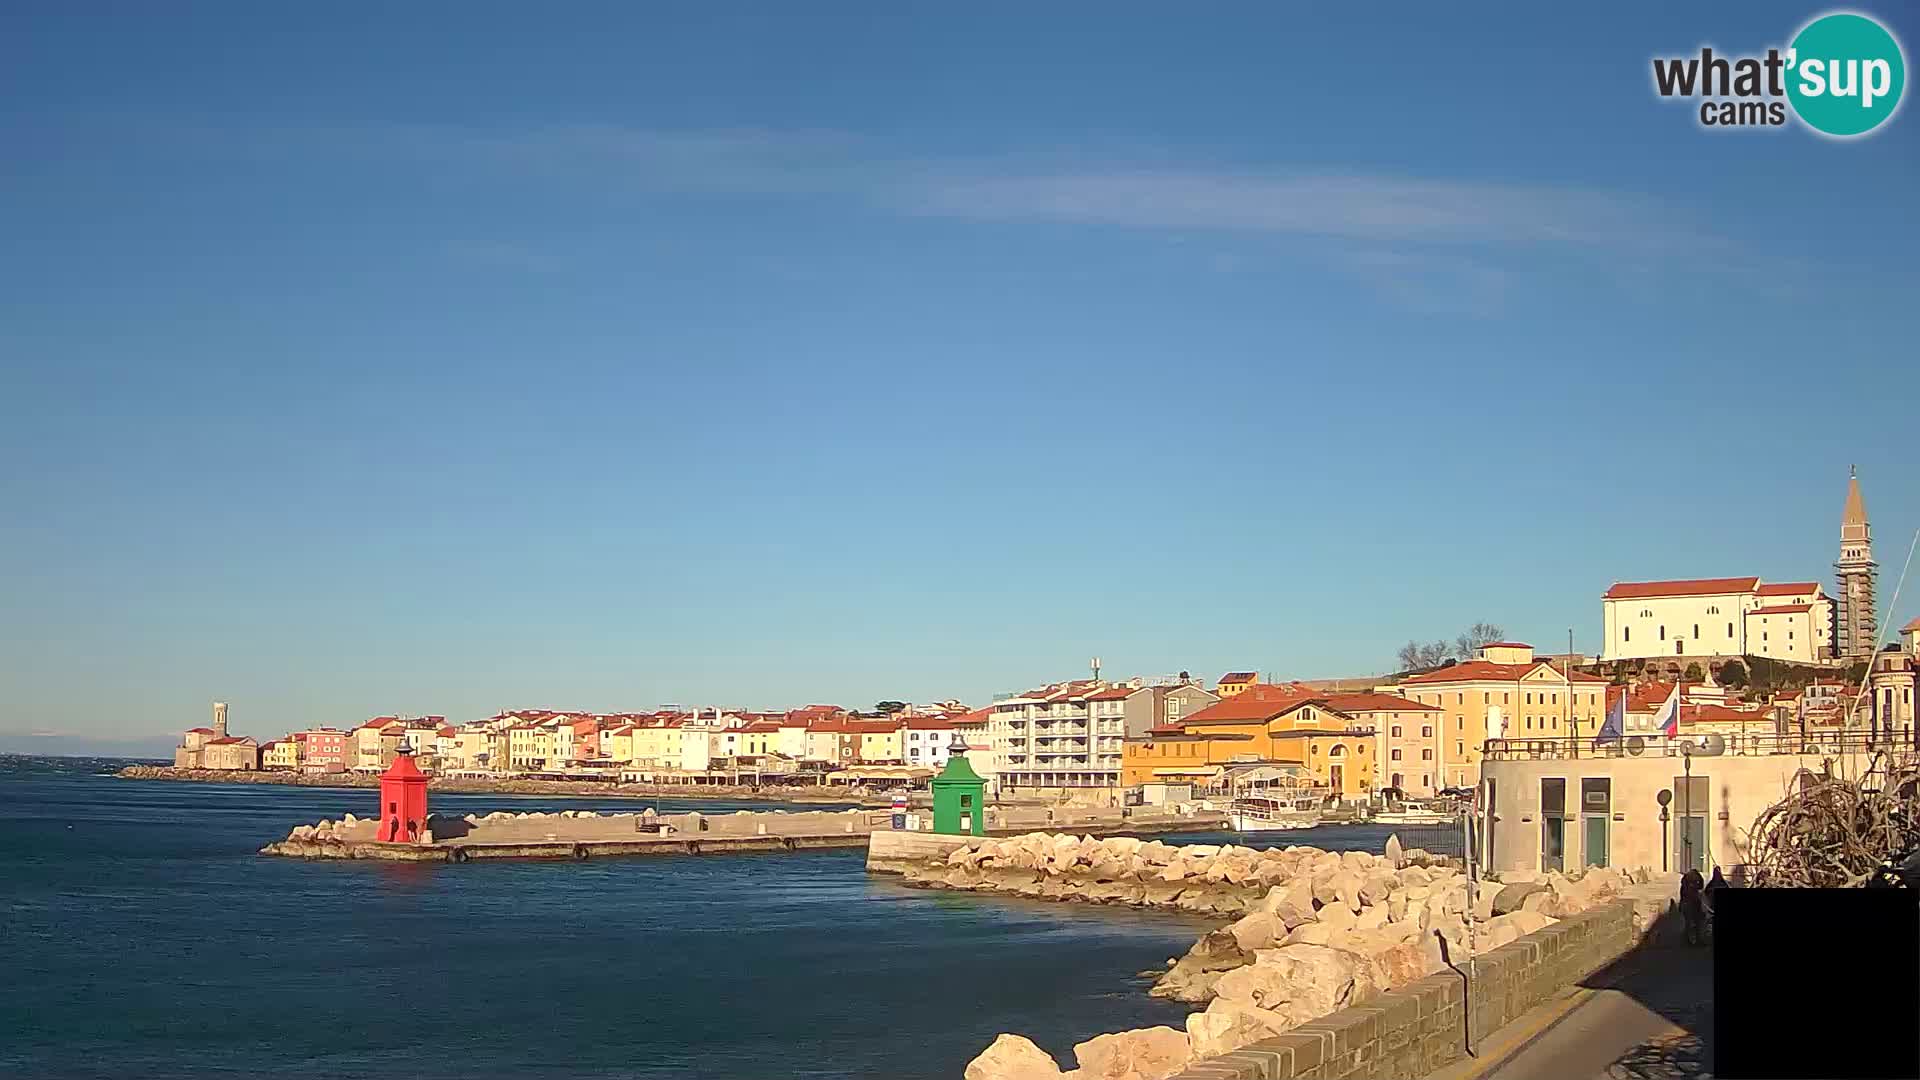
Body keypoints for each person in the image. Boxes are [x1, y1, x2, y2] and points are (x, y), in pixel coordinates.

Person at [1679, 866, 1706, 945]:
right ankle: (1688, 940)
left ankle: (1695, 940)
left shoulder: (1689, 884)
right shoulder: (1686, 885)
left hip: (1693, 904)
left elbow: (1701, 886)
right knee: (1690, 923)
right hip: (1689, 904)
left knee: (1696, 922)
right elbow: (1685, 895)